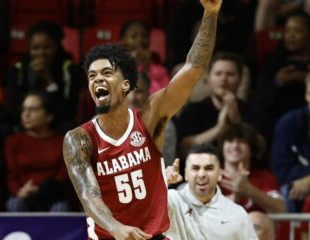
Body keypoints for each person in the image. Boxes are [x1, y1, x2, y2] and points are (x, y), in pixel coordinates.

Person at [62, 0, 222, 239]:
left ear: (126, 85)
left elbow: (193, 68)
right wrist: (116, 228)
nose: (97, 80)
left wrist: (210, 13)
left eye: (107, 73)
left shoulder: (149, 117)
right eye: (92, 75)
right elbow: (88, 195)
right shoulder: (79, 139)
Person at [164, 144, 258, 240]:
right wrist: (163, 183)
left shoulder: (237, 214)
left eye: (209, 168)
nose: (201, 174)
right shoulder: (171, 199)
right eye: (195, 168)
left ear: (220, 174)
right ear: (186, 174)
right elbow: (149, 210)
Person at [251, 11, 310, 144]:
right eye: (287, 31)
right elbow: (260, 101)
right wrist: (278, 82)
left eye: (297, 31)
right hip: (278, 124)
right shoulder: (275, 63)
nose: (290, 36)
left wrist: (308, 80)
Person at [5, 91, 75, 212]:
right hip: (24, 194)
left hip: (53, 194)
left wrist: (43, 190)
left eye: (33, 109)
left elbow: (65, 174)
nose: (26, 114)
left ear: (49, 116)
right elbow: (12, 175)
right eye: (24, 109)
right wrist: (20, 191)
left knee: (60, 209)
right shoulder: (14, 141)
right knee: (15, 204)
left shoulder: (63, 140)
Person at [7, 21, 82, 128]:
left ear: (57, 47)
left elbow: (69, 111)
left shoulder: (69, 69)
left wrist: (49, 80)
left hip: (58, 123)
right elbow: (15, 110)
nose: (41, 53)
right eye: (35, 48)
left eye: (47, 47)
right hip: (26, 125)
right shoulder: (18, 70)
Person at [218, 123, 285, 240]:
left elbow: (281, 208)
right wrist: (235, 198)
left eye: (242, 142)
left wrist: (249, 190)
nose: (235, 146)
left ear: (252, 150)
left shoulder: (265, 177)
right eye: (230, 141)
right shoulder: (210, 175)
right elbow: (202, 211)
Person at [175, 52, 247, 156]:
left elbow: (259, 149)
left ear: (240, 79)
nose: (223, 79)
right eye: (218, 73)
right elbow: (183, 149)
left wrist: (236, 123)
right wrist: (219, 128)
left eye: (230, 74)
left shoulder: (251, 110)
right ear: (209, 78)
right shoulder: (193, 110)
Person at [272, 69, 310, 212]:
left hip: (309, 180)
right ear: (306, 96)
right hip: (299, 187)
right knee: (288, 190)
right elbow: (282, 170)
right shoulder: (289, 123)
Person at [127, 72, 177, 166]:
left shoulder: (164, 125)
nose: (132, 97)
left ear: (149, 94)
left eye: (139, 91)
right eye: (128, 91)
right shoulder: (103, 122)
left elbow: (165, 164)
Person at [119, 20, 170, 94]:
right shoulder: (117, 66)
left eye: (144, 36)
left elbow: (162, 96)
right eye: (134, 36)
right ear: (123, 39)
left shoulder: (160, 70)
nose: (140, 40)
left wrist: (147, 70)